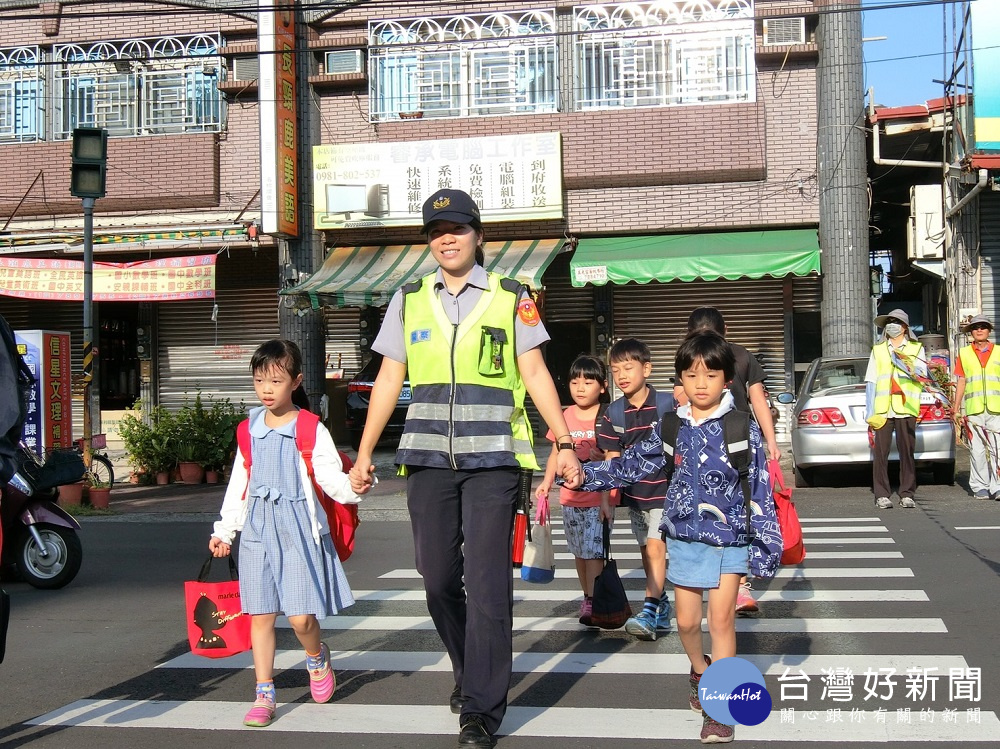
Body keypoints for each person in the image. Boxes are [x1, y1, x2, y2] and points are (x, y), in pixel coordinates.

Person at [348, 188, 581, 749]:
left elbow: (535, 373)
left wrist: (565, 440)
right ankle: (468, 666)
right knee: (437, 581)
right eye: (434, 231)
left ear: (479, 235)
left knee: (486, 585)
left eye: (455, 227)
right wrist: (362, 454)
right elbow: (387, 380)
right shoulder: (408, 299)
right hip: (427, 460)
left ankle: (481, 708)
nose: (445, 238)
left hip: (495, 463)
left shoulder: (511, 296)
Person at [577, 331, 779, 744]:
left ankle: (719, 710)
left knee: (720, 620)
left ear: (727, 380)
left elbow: (760, 489)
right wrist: (586, 475)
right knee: (687, 622)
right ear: (680, 382)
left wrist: (764, 547)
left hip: (730, 538)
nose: (701, 383)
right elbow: (633, 463)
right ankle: (699, 669)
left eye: (711, 374)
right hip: (685, 536)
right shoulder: (671, 426)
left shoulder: (742, 427)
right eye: (691, 375)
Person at [209, 339, 359, 728]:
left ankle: (316, 657)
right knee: (259, 616)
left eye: (275, 380)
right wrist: (225, 531)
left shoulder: (310, 427)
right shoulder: (248, 429)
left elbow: (330, 480)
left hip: (297, 531)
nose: (266, 389)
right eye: (260, 380)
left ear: (296, 381)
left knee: (299, 619)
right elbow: (240, 483)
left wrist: (355, 486)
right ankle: (264, 693)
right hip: (258, 529)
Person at [672, 306, 781, 614]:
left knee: (714, 511)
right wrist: (771, 442)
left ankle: (726, 582)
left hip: (715, 444)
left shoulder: (690, 355)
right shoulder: (742, 354)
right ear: (726, 329)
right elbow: (758, 398)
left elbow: (679, 397)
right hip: (740, 444)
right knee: (741, 508)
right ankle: (739, 585)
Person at [596, 337, 673, 641]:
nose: (623, 375)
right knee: (647, 552)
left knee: (655, 548)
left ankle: (650, 611)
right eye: (616, 371)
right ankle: (663, 603)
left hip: (667, 493)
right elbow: (611, 465)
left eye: (628, 367)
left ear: (647, 368)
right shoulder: (613, 414)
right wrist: (606, 500)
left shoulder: (670, 405)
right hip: (637, 496)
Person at [535, 354, 614, 626]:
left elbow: (615, 457)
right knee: (579, 552)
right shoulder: (564, 416)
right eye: (575, 381)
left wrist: (607, 496)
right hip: (569, 498)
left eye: (588, 381)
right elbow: (555, 452)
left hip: (597, 498)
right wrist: (545, 483)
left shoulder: (608, 416)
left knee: (594, 552)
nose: (580, 387)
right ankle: (588, 596)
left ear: (603, 386)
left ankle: (594, 600)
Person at [865, 309, 926, 509]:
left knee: (907, 452)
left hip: (906, 407)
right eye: (889, 322)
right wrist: (870, 412)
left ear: (905, 327)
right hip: (883, 409)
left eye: (896, 322)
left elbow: (922, 377)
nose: (891, 325)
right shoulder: (879, 350)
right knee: (880, 454)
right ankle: (881, 494)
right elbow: (871, 382)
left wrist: (906, 364)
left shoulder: (916, 349)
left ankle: (907, 493)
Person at [953, 314, 1000, 500]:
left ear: (989, 331)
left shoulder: (998, 351)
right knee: (977, 450)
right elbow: (961, 381)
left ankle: (997, 487)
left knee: (997, 448)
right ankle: (979, 486)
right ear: (970, 332)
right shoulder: (964, 354)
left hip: (996, 408)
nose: (979, 330)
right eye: (975, 327)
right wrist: (956, 409)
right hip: (974, 409)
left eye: (983, 326)